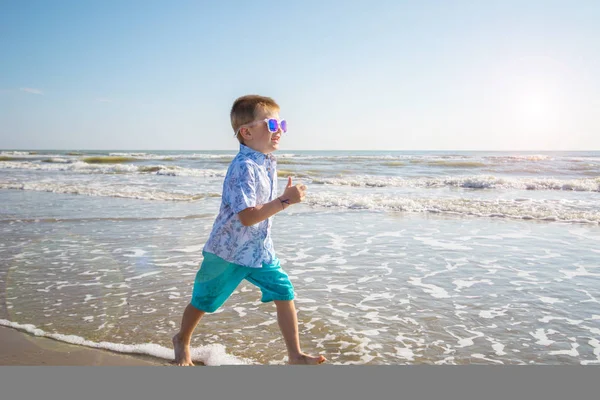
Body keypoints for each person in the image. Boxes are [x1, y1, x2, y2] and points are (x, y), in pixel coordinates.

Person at [172, 94, 326, 366]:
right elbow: (246, 217)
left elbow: (259, 212)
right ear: (246, 131)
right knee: (204, 300)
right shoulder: (244, 167)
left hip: (259, 251)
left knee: (284, 292)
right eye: (272, 125)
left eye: (282, 125)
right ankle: (182, 340)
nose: (279, 131)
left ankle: (295, 355)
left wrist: (283, 199)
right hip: (228, 252)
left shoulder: (266, 162)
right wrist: (285, 199)